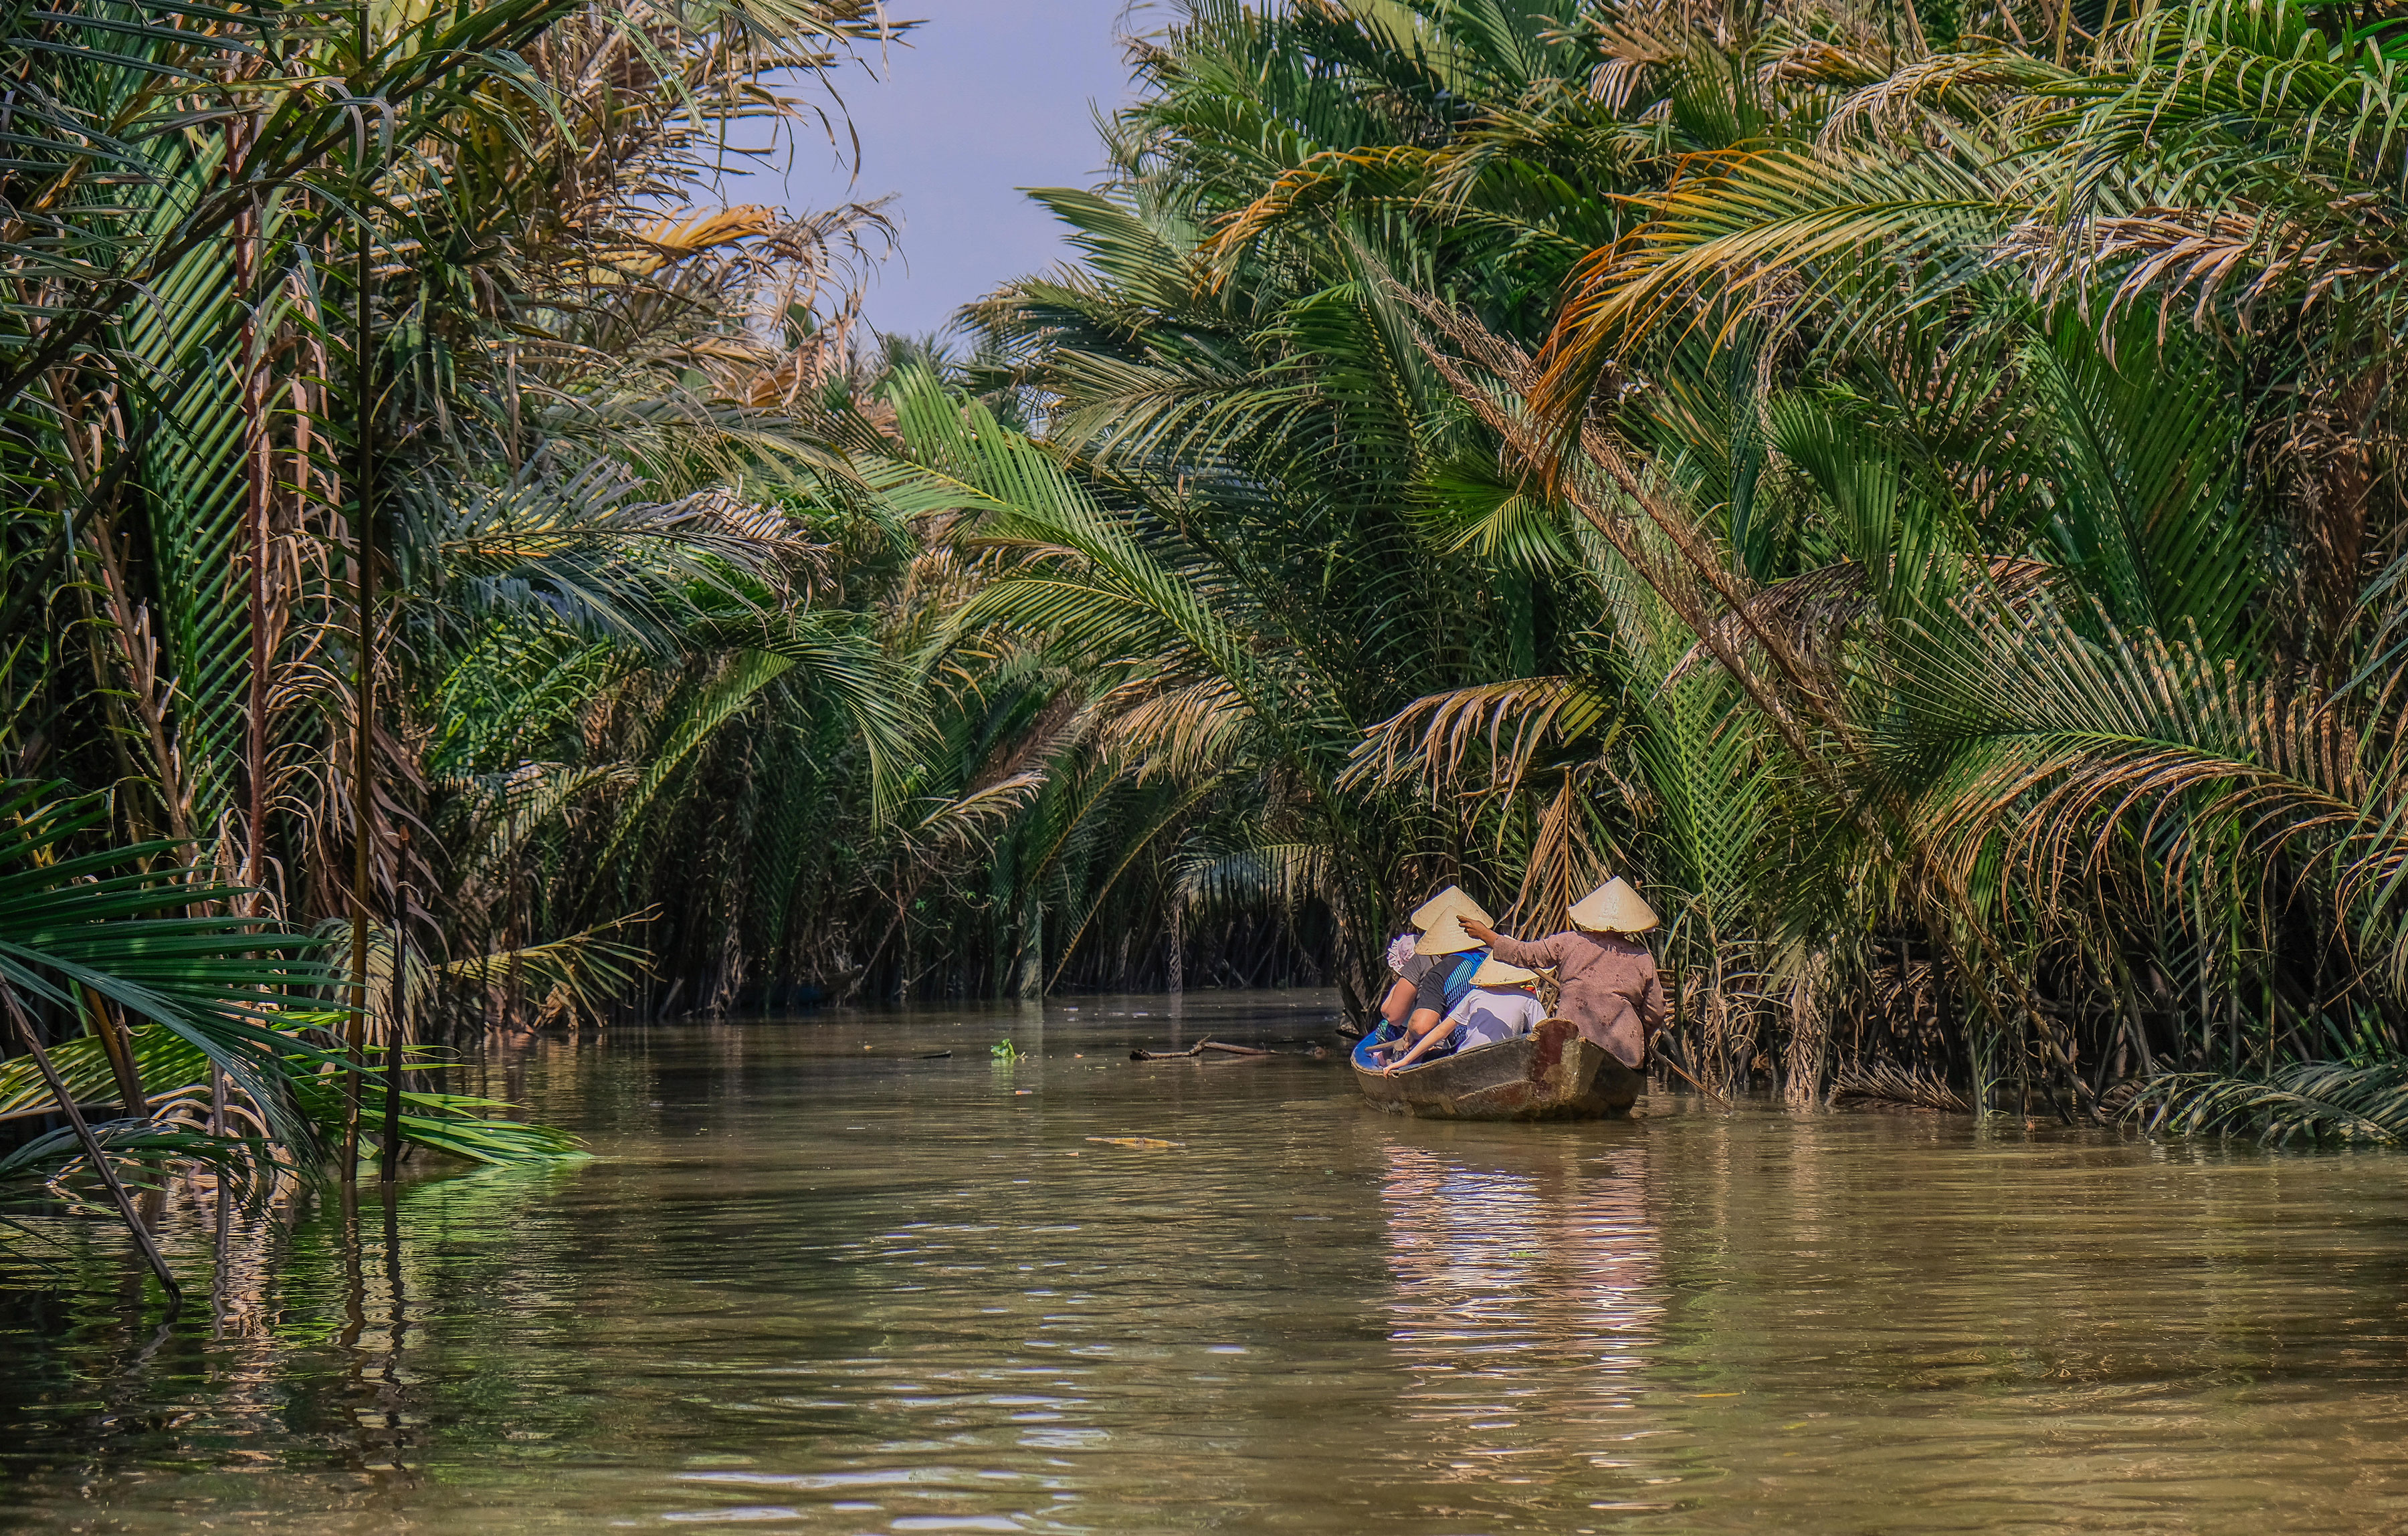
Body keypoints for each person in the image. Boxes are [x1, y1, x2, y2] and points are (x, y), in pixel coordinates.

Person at [1459, 877, 1665, 1069]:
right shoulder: (1642, 958)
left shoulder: (1569, 942)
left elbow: (1525, 954)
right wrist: (1641, 1034)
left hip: (1575, 1046)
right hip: (1623, 1052)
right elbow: (1655, 1012)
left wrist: (1488, 936)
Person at [1381, 958, 1544, 1073]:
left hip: (1464, 1059)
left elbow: (1440, 1032)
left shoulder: (1476, 994)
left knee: (1427, 1057)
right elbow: (1545, 1035)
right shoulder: (1529, 998)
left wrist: (1406, 1061)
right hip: (1501, 1060)